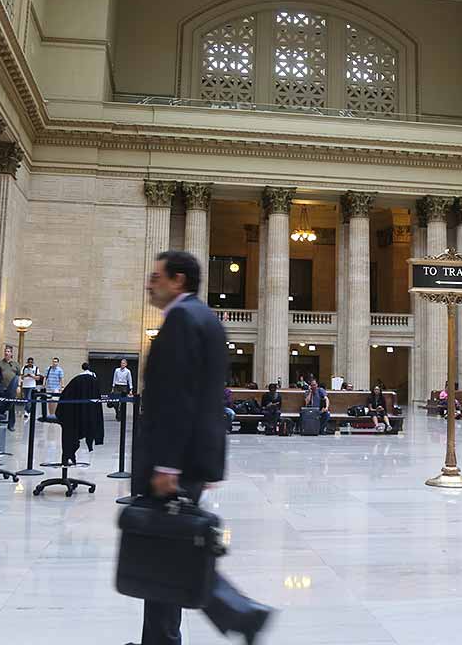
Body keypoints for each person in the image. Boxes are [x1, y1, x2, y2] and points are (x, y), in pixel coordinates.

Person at [131, 249, 272, 645]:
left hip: (174, 463)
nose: (149, 282)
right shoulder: (207, 319)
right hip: (194, 458)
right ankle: (234, 616)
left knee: (164, 554)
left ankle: (240, 615)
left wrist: (167, 467)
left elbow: (178, 399)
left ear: (178, 280)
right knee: (168, 551)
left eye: (156, 276)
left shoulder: (181, 319)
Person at [0, 345, 20, 431]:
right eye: (5, 351)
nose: (6, 353)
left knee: (11, 406)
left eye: (8, 352)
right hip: (2, 387)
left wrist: (18, 386)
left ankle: (11, 424)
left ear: (11, 353)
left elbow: (18, 376)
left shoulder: (16, 364)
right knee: (0, 404)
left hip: (12, 388)